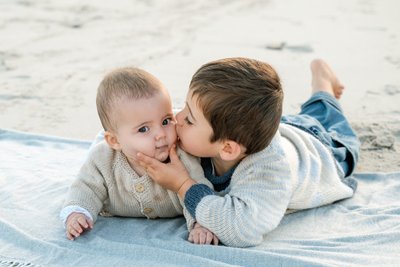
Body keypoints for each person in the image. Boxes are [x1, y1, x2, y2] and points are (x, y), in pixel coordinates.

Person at [137, 58, 361, 247]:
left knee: (325, 110)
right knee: (310, 112)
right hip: (273, 129)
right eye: (184, 107)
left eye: (189, 118)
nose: (177, 118)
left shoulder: (269, 172)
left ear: (227, 149)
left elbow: (241, 229)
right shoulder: (221, 135)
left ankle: (323, 82)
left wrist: (182, 185)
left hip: (321, 149)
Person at [60, 67, 217, 244]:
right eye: (144, 129)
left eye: (166, 121)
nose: (161, 134)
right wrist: (78, 213)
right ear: (114, 141)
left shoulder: (181, 157)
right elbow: (85, 187)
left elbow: (198, 189)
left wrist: (200, 224)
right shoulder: (103, 158)